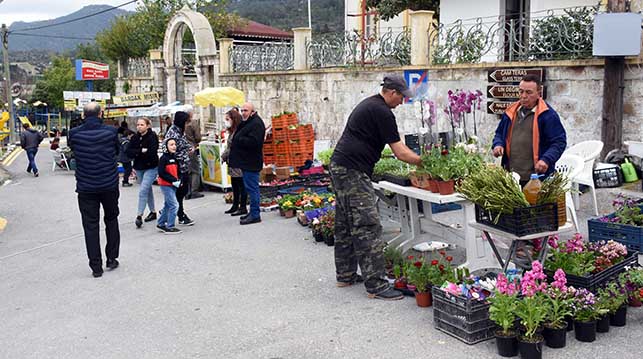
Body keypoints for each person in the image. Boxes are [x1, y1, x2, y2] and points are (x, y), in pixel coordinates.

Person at [330, 74, 421, 300]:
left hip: (340, 166)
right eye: (401, 97)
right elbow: (400, 152)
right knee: (367, 226)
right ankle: (377, 285)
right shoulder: (382, 112)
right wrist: (424, 162)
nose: (402, 102)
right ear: (391, 92)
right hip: (353, 171)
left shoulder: (370, 104)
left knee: (345, 222)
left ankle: (346, 274)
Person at [68, 102, 121, 278]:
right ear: (101, 114)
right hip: (109, 185)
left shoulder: (74, 134)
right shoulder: (111, 132)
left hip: (86, 187)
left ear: (83, 115)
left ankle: (96, 267)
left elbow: (74, 152)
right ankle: (111, 258)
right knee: (111, 219)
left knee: (90, 226)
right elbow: (116, 151)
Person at [492, 74, 567, 185]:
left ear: (539, 93)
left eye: (529, 92)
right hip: (511, 177)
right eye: (521, 91)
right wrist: (498, 144)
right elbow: (499, 134)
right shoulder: (510, 112)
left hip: (537, 179)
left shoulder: (548, 115)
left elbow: (559, 142)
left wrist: (546, 159)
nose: (523, 96)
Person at [229, 102, 265, 225]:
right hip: (246, 162)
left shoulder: (256, 123)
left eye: (246, 110)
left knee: (252, 188)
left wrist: (239, 139)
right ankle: (253, 212)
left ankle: (255, 214)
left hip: (251, 162)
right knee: (250, 188)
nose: (243, 113)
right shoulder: (248, 122)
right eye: (242, 110)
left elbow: (255, 142)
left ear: (252, 112)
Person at [126, 118, 159, 228]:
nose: (139, 126)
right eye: (138, 124)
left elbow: (152, 152)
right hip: (139, 167)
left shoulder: (152, 136)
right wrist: (140, 151)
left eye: (142, 124)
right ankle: (153, 211)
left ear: (148, 126)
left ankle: (139, 215)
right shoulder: (135, 137)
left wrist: (139, 152)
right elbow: (128, 152)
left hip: (151, 167)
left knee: (143, 189)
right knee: (147, 189)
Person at [165, 111, 195, 226]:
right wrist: (185, 154)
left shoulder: (180, 131)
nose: (188, 124)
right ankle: (180, 214)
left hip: (183, 166)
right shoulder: (173, 133)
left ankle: (170, 211)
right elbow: (171, 150)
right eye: (187, 122)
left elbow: (183, 144)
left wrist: (190, 148)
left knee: (182, 191)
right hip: (177, 167)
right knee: (179, 192)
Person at [221, 108, 247, 216]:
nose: (226, 121)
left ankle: (242, 206)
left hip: (237, 161)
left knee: (240, 184)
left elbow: (231, 147)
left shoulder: (238, 131)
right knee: (235, 185)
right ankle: (235, 205)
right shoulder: (233, 131)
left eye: (228, 119)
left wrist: (223, 156)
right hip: (232, 161)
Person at [156, 138, 182, 234]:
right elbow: (161, 173)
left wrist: (179, 179)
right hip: (166, 184)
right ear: (166, 147)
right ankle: (170, 226)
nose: (174, 146)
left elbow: (178, 171)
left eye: (174, 144)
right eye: (171, 144)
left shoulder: (175, 158)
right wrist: (173, 180)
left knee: (168, 205)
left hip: (173, 184)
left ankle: (161, 223)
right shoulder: (163, 158)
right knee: (174, 205)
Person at [184, 112, 204, 199]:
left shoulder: (182, 123)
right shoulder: (193, 123)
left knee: (187, 170)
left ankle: (187, 190)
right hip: (192, 147)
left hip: (184, 148)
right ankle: (194, 191)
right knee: (195, 170)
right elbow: (198, 137)